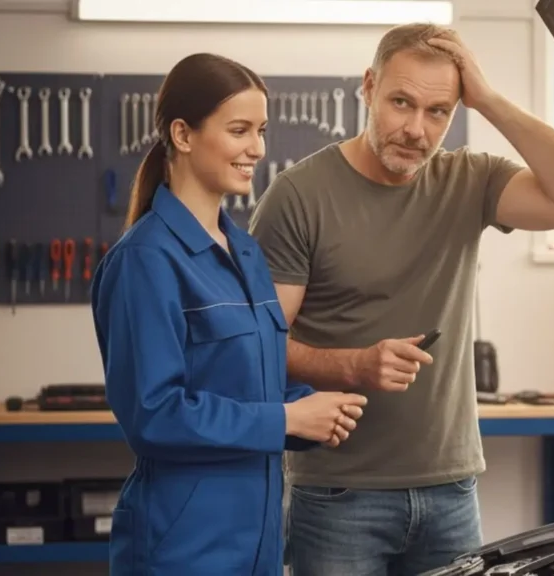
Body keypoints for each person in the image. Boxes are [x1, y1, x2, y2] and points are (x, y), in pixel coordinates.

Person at [248, 24, 554, 576]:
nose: (417, 129)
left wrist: (488, 99)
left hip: (451, 490)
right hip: (339, 494)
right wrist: (354, 365)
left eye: (439, 111)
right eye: (401, 102)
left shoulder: (469, 181)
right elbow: (257, 348)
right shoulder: (299, 196)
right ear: (367, 88)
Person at [89, 53, 369, 576]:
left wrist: (312, 413)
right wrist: (286, 418)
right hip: (183, 545)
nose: (257, 149)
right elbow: (153, 414)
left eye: (261, 130)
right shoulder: (145, 260)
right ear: (183, 134)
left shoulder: (244, 253)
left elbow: (247, 386)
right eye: (239, 130)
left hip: (257, 540)